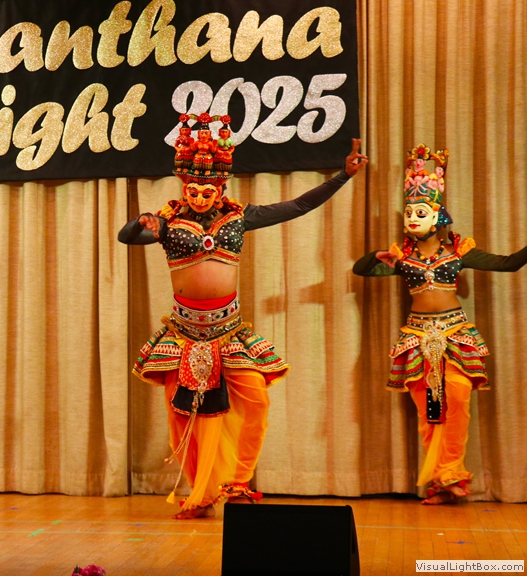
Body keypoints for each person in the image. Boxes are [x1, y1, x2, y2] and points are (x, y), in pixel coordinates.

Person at [119, 113, 368, 518]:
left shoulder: (240, 217)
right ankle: (200, 493)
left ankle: (236, 482)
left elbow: (299, 205)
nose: (201, 196)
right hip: (183, 333)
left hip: (229, 331)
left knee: (255, 401)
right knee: (181, 415)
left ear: (221, 188)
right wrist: (141, 221)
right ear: (184, 185)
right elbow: (127, 237)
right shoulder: (168, 222)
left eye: (209, 190)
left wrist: (343, 176)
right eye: (194, 189)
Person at [352, 145, 527, 504]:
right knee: (429, 410)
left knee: (458, 399)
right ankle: (441, 482)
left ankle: (451, 472)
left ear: (438, 216)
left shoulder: (459, 253)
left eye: (420, 212)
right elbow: (362, 270)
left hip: (455, 333)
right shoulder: (402, 258)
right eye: (409, 213)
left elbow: (509, 263)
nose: (412, 219)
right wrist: (377, 255)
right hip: (417, 336)